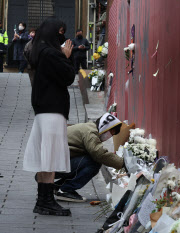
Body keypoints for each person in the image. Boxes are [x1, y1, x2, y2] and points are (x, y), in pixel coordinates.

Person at [23, 18, 75, 216]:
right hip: (52, 110)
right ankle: (46, 202)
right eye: (60, 32)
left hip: (44, 111)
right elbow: (68, 76)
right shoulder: (51, 54)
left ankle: (43, 200)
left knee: (47, 157)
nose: (62, 37)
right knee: (51, 158)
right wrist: (67, 57)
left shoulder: (41, 52)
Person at [52, 113, 125, 202]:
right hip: (52, 166)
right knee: (94, 163)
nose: (110, 136)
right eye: (111, 133)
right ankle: (66, 190)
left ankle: (56, 187)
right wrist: (123, 163)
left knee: (89, 159)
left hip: (53, 163)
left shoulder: (90, 127)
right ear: (104, 127)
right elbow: (99, 153)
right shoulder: (91, 132)